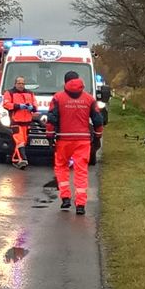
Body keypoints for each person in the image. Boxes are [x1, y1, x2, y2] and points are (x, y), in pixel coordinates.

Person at [45, 70, 104, 215]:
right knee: (81, 171)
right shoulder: (89, 99)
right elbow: (98, 120)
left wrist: (49, 135)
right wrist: (97, 136)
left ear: (65, 82)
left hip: (63, 139)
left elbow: (51, 119)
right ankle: (81, 205)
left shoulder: (58, 98)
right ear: (78, 80)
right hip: (82, 140)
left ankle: (65, 198)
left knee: (61, 167)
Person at [2, 75, 36, 169]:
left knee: (22, 142)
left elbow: (35, 105)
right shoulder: (9, 93)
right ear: (15, 84)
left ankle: (16, 159)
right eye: (19, 83)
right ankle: (23, 160)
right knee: (20, 141)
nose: (21, 85)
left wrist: (32, 107)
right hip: (16, 122)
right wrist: (18, 106)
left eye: (22, 83)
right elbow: (6, 104)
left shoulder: (30, 93)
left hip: (27, 122)